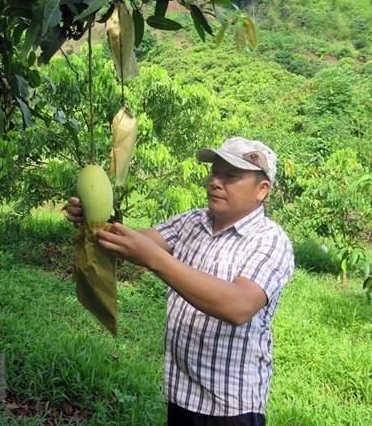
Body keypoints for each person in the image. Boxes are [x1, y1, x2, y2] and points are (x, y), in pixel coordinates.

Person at [66, 137, 295, 426]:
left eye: (231, 176)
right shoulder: (193, 222)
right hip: (183, 394)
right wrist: (94, 218)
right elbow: (135, 243)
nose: (215, 182)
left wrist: (156, 259)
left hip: (230, 406)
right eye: (214, 173)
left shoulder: (271, 241)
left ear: (262, 189)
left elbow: (238, 305)